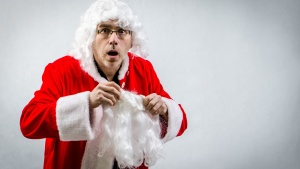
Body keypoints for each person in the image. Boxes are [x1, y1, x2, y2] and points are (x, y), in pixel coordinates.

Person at [20, 0, 187, 168]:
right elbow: (29, 123)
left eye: (122, 31)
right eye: (105, 30)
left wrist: (164, 109)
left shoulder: (143, 70)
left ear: (131, 40)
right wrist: (87, 102)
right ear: (91, 37)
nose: (113, 39)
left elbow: (181, 122)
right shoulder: (61, 70)